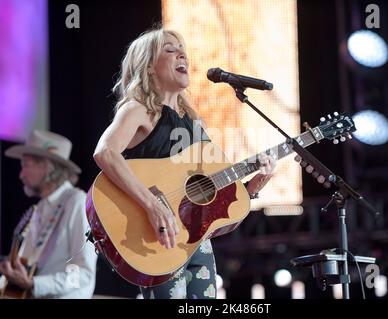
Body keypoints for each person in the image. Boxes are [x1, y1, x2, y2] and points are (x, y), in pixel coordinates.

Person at [93, 27, 276, 299]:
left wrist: (252, 188)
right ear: (149, 66)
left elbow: (213, 198)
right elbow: (105, 152)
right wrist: (153, 205)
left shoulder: (196, 123)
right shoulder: (139, 108)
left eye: (183, 51)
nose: (182, 55)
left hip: (196, 242)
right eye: (169, 49)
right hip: (158, 237)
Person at [0, 130, 97, 298]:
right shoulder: (39, 209)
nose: (21, 174)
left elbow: (82, 274)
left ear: (46, 166)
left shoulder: (77, 202)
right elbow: (23, 268)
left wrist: (35, 284)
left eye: (25, 166)